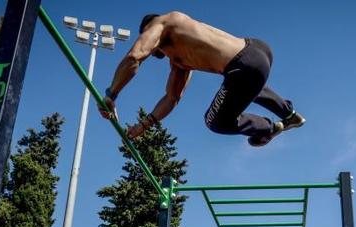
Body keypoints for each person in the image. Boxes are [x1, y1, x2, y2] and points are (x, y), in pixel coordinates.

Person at [99, 12, 305, 148]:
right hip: (256, 50)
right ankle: (289, 114)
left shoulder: (162, 23)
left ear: (147, 31)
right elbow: (172, 98)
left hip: (242, 65)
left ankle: (271, 128)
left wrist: (111, 94)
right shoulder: (180, 58)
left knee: (214, 121)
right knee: (242, 85)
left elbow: (135, 56)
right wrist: (143, 126)